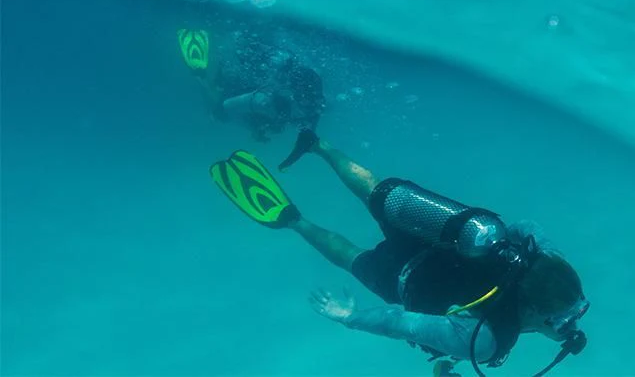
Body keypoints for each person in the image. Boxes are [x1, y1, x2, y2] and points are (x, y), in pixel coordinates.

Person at [209, 130, 589, 377]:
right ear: (534, 308)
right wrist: (349, 317)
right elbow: (397, 322)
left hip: (437, 239)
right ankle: (294, 221)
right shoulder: (488, 340)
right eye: (566, 317)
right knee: (351, 257)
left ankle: (318, 146)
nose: (569, 326)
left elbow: (527, 226)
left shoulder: (547, 264)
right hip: (402, 280)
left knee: (374, 191)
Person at [177, 27, 324, 145]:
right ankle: (200, 75)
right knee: (218, 110)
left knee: (223, 106)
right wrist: (256, 128)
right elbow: (229, 105)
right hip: (243, 89)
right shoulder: (267, 98)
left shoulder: (293, 100)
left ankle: (204, 78)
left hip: (254, 90)